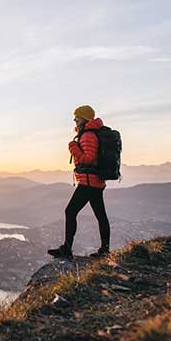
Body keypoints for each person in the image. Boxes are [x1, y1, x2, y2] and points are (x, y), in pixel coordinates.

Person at [47, 105, 111, 259]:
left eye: (77, 117)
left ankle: (67, 249)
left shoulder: (88, 135)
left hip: (89, 182)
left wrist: (73, 148)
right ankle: (104, 250)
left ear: (84, 119)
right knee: (101, 215)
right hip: (95, 182)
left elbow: (88, 159)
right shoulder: (89, 133)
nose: (74, 120)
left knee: (70, 211)